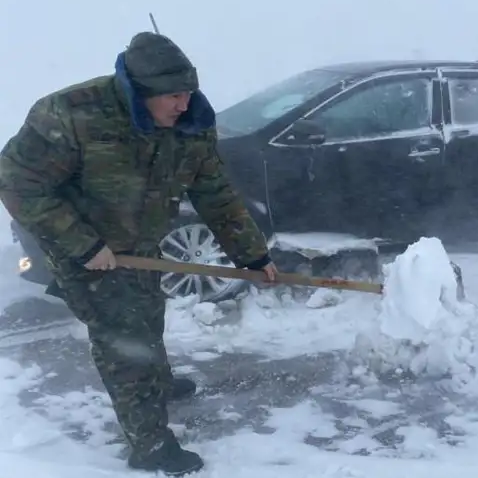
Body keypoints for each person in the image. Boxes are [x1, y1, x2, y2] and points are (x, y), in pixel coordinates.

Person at [0, 31, 278, 476]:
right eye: (172, 96)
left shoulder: (191, 125)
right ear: (140, 92)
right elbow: (16, 183)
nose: (183, 104)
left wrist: (252, 257)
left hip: (142, 246)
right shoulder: (71, 115)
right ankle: (149, 445)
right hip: (85, 251)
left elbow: (215, 192)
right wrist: (83, 243)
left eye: (188, 92)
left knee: (148, 314)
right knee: (124, 344)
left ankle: (158, 383)